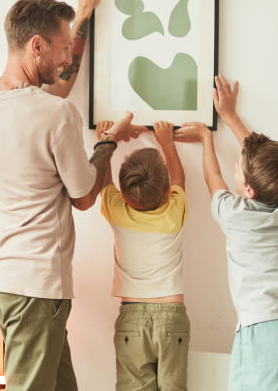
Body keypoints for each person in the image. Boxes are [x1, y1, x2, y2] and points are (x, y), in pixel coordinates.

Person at [0, 0, 144, 391]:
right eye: (61, 48)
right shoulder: (55, 114)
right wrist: (108, 144)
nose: (67, 58)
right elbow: (83, 196)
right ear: (37, 45)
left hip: (7, 277)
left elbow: (52, 92)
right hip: (36, 284)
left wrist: (83, 12)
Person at [175, 75, 278, 391]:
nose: (234, 168)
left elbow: (214, 179)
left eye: (238, 168)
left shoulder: (236, 214)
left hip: (263, 328)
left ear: (249, 190)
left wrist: (206, 140)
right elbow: (266, 161)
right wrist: (231, 117)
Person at [93, 119, 190, 390]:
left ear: (124, 194)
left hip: (132, 314)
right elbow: (179, 179)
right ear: (166, 192)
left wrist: (106, 143)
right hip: (172, 313)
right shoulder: (174, 213)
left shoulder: (117, 211)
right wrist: (167, 143)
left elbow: (104, 182)